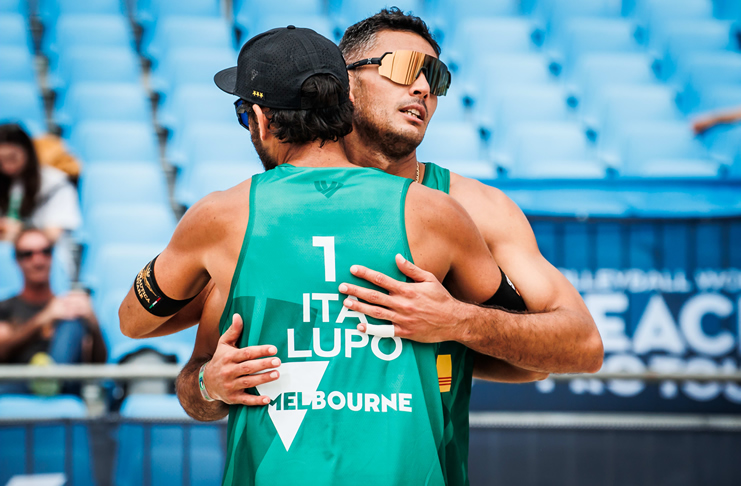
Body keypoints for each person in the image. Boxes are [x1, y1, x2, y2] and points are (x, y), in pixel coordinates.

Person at [143, 9, 602, 486]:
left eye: (436, 76)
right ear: (343, 84)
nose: (423, 88)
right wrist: (207, 384)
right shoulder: (261, 215)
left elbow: (582, 346)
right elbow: (183, 359)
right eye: (404, 68)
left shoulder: (476, 209)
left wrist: (458, 323)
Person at [0, 227, 106, 394]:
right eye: (27, 254)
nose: (38, 260)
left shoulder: (68, 307)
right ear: (16, 260)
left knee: (73, 322)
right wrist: (43, 320)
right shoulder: (6, 307)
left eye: (45, 251)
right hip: (18, 387)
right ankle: (47, 380)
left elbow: (97, 368)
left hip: (65, 390)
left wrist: (93, 323)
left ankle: (50, 380)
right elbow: (2, 352)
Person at [0, 123, 82, 274]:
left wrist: (18, 231)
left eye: (12, 158)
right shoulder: (6, 183)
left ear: (28, 153)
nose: (7, 167)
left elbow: (53, 234)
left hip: (46, 264)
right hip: (7, 264)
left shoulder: (56, 184)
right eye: (1, 161)